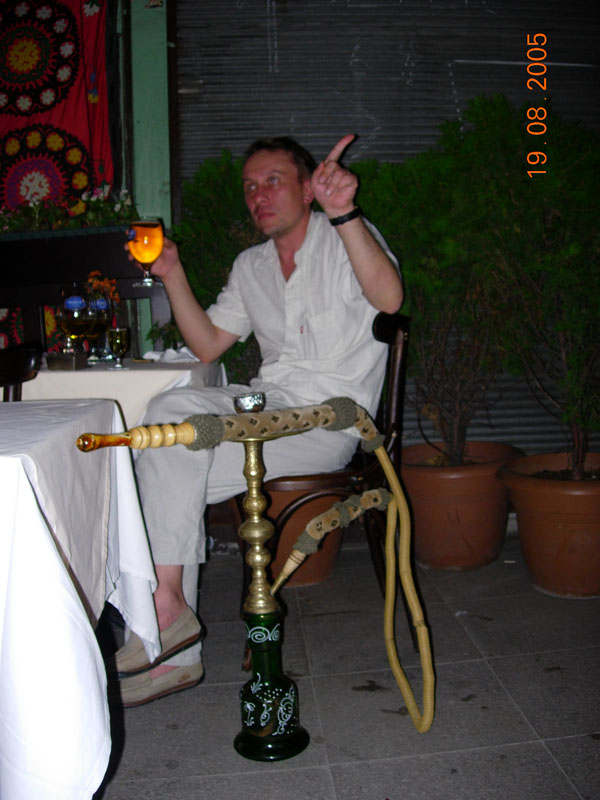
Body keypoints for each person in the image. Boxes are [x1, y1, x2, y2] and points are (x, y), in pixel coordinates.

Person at [116, 134, 403, 706]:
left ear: (307, 187)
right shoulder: (250, 266)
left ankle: (165, 633)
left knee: (164, 455)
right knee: (166, 425)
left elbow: (390, 299)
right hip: (269, 407)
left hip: (330, 423)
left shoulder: (346, 237)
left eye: (273, 181)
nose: (258, 196)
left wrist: (344, 212)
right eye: (250, 186)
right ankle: (168, 615)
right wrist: (171, 271)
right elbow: (208, 346)